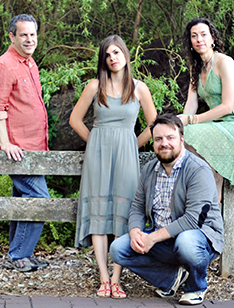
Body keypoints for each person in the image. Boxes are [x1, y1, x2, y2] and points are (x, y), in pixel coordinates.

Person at [70, 35, 157, 298]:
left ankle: (118, 279)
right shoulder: (94, 86)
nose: (112, 58)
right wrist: (95, 142)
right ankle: (104, 278)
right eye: (107, 55)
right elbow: (75, 119)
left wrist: (134, 143)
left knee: (124, 214)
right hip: (98, 155)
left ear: (126, 56)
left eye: (117, 53)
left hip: (126, 156)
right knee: (98, 216)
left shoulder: (139, 88)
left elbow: (154, 125)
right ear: (103, 59)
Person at [110, 114, 224, 305]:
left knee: (186, 241)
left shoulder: (198, 170)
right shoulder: (149, 170)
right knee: (118, 249)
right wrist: (135, 232)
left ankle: (196, 287)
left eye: (170, 138)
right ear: (153, 143)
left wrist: (151, 238)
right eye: (158, 139)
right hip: (163, 241)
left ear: (181, 140)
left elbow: (193, 220)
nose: (164, 143)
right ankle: (170, 279)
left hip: (199, 239)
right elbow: (137, 206)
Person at [178, 17, 234, 202]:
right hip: (220, 122)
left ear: (212, 38)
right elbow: (191, 104)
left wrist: (192, 120)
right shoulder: (196, 67)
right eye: (194, 36)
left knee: (193, 133)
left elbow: (227, 106)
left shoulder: (224, 62)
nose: (199, 39)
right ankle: (210, 181)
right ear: (190, 42)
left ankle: (214, 183)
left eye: (203, 34)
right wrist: (179, 123)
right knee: (182, 135)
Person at [0, 14, 50, 272]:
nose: (29, 39)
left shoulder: (30, 63)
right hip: (18, 150)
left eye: (33, 34)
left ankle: (22, 253)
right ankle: (18, 255)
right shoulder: (4, 65)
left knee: (23, 201)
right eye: (23, 35)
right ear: (11, 36)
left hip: (35, 148)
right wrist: (6, 144)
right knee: (40, 198)